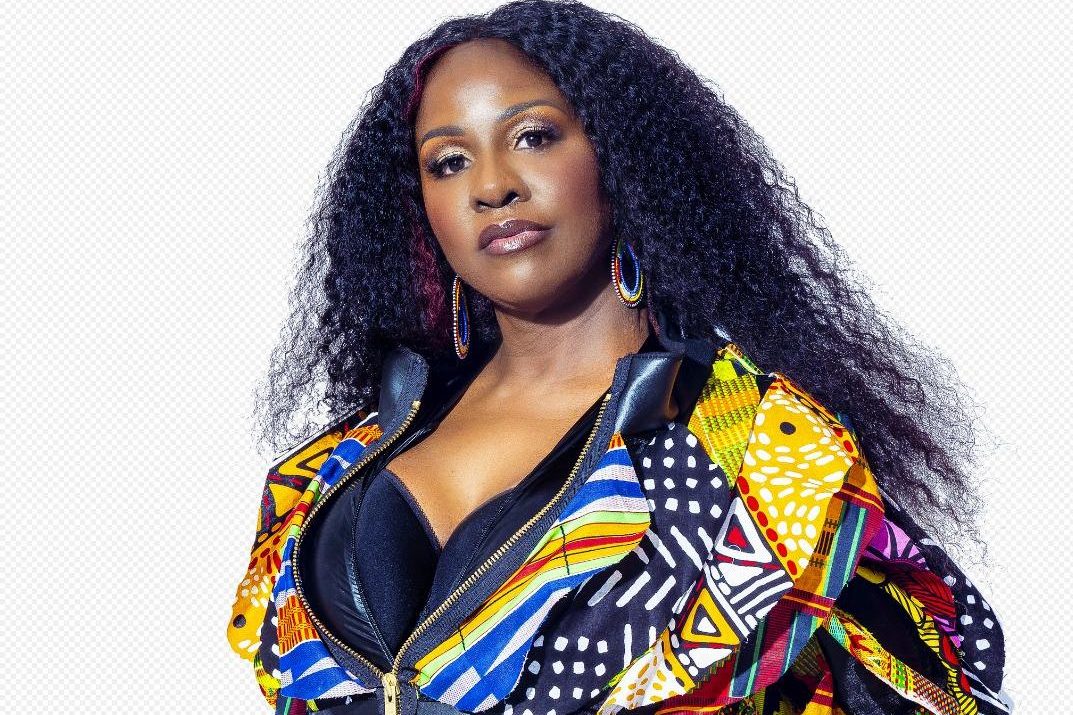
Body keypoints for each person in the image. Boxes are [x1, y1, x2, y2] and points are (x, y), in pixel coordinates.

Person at [227, 1, 1010, 713]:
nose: (492, 186)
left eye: (533, 137)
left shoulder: (756, 451)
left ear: (620, 155)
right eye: (449, 161)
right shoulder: (336, 464)